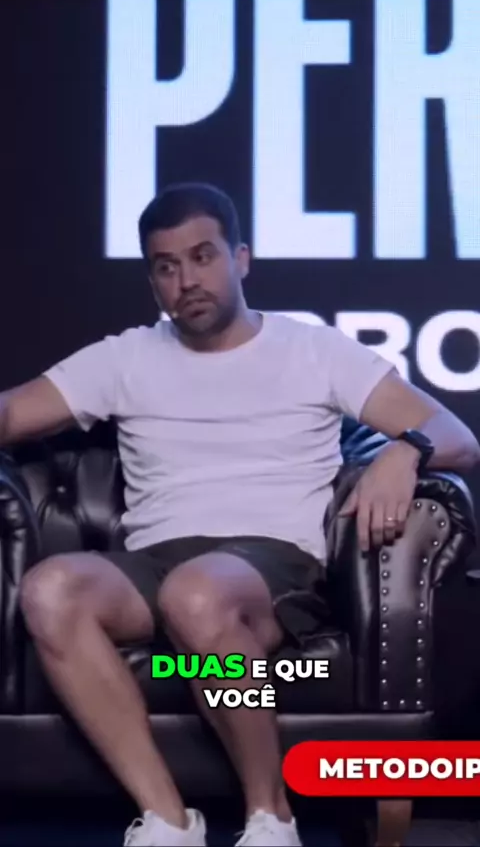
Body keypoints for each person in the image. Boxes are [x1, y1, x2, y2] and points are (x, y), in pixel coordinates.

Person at [2, 183, 479, 847]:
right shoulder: (125, 356)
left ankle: (270, 816)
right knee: (50, 590)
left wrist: (405, 451)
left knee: (196, 594)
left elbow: (457, 435)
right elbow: (12, 413)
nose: (186, 281)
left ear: (241, 258)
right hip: (154, 564)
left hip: (270, 565)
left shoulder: (313, 350)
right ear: (152, 279)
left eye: (203, 257)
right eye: (167, 267)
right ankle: (168, 819)